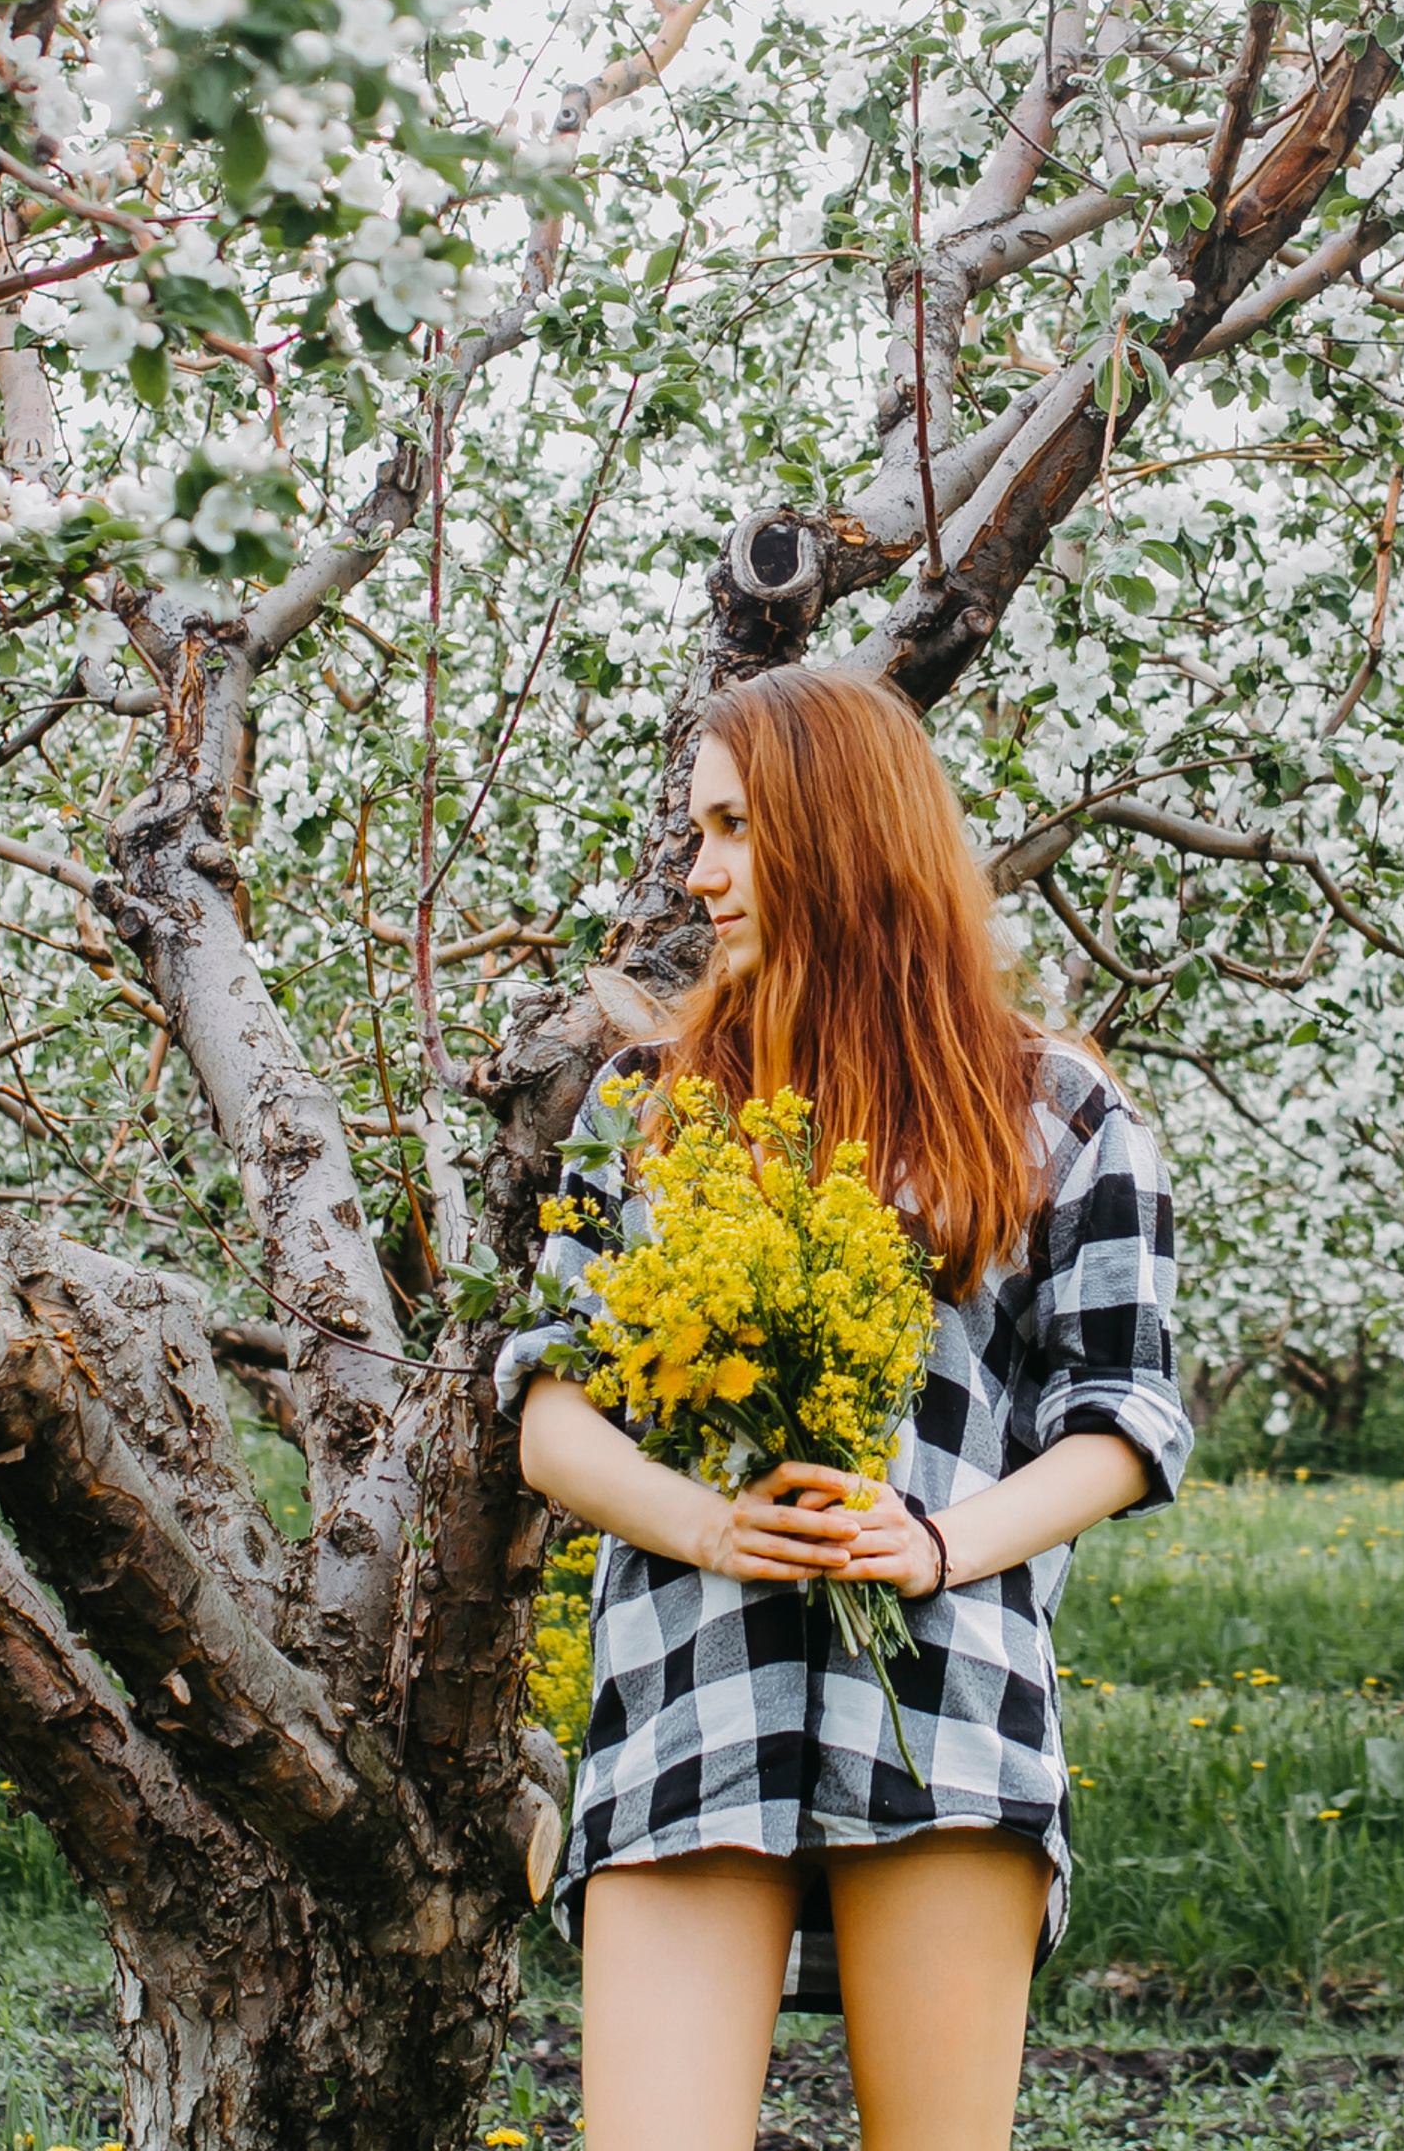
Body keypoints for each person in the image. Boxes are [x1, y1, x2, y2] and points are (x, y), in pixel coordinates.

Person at [498, 666, 1190, 2151]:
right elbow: (551, 1418)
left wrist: (932, 1546)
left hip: (943, 1702)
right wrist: (715, 1526)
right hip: (689, 1680)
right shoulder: (651, 1105)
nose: (699, 873)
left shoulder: (1054, 1107)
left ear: (844, 830)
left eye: (736, 828)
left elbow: (1126, 1421)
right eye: (701, 829)